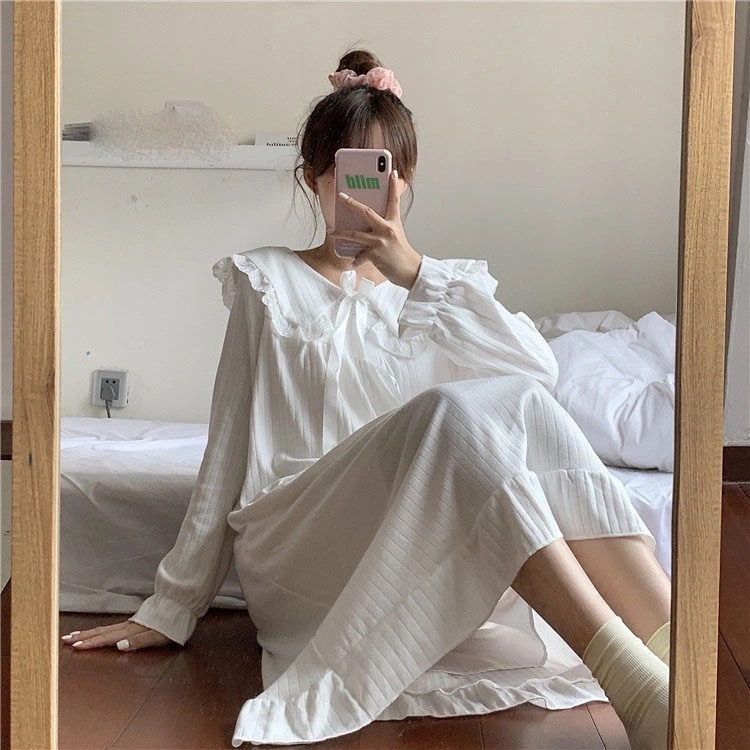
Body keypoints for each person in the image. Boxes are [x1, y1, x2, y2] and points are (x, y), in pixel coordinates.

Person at [62, 50, 671, 750]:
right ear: (313, 177)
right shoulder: (265, 283)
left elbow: (538, 375)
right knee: (450, 413)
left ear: (404, 181)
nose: (371, 190)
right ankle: (633, 683)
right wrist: (172, 607)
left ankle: (681, 665)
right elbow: (226, 451)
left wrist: (415, 274)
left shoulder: (445, 289)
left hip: (423, 534)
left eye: (387, 172)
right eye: (350, 171)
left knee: (514, 407)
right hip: (302, 544)